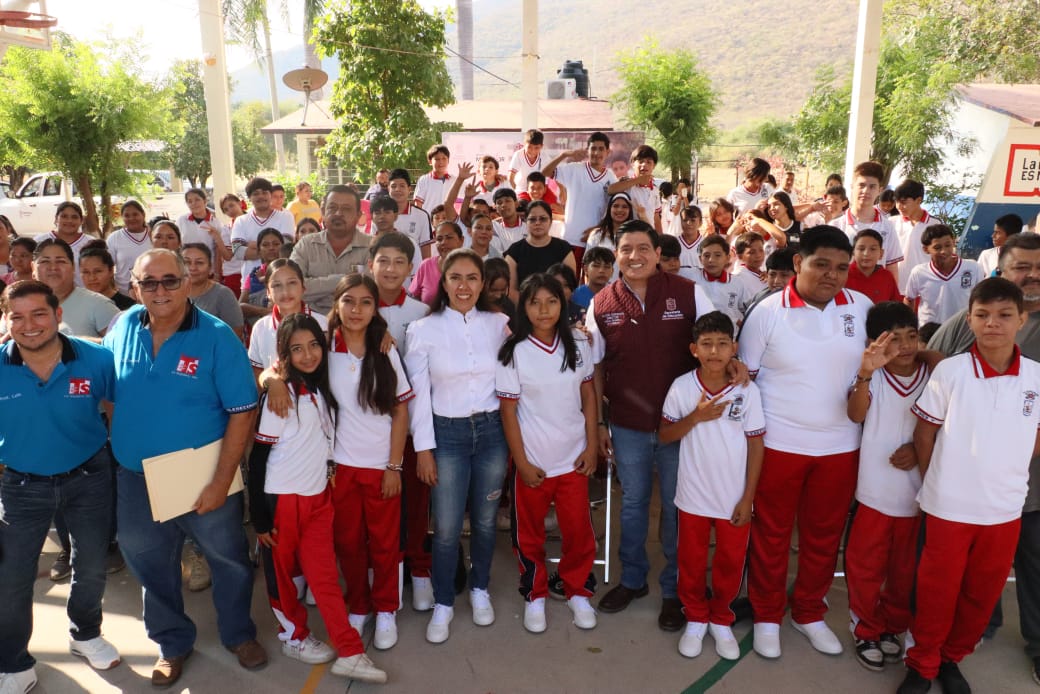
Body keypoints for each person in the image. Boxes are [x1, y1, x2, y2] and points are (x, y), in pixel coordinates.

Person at [104, 249, 267, 688]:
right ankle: (172, 643)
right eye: (149, 282)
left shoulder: (217, 336)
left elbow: (242, 412)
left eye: (170, 280)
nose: (160, 290)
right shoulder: (122, 328)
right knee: (149, 563)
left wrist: (220, 481)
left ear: (188, 283)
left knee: (228, 560)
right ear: (134, 287)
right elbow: (110, 394)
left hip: (202, 477)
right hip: (136, 478)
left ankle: (239, 635)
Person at [899, 277, 1040, 694]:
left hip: (1004, 510)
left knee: (981, 594)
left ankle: (950, 658)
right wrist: (937, 482)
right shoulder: (952, 371)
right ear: (970, 319)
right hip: (949, 508)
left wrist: (1005, 459)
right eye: (982, 315)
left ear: (1022, 319)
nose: (992, 323)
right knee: (936, 593)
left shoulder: (1035, 376)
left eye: (1004, 315)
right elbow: (924, 433)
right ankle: (922, 664)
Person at [738, 225, 872, 660]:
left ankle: (809, 611)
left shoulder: (863, 308)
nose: (833, 275)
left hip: (840, 446)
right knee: (771, 534)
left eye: (841, 268)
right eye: (822, 265)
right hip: (780, 443)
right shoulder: (767, 312)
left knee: (823, 536)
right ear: (798, 262)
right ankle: (766, 613)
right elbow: (745, 382)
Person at [585, 220, 719, 631]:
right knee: (633, 503)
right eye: (626, 249)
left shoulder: (688, 292)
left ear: (658, 254)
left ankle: (675, 588)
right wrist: (601, 423)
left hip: (682, 424)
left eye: (643, 248)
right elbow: (595, 368)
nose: (635, 256)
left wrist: (734, 367)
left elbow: (717, 341)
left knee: (678, 506)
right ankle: (632, 579)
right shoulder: (602, 303)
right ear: (616, 255)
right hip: (628, 423)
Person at [248, 313, 387, 683]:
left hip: (318, 498)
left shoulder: (321, 390)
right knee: (281, 576)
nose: (307, 355)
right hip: (283, 499)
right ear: (285, 355)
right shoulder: (281, 396)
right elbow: (258, 458)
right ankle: (293, 636)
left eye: (313, 346)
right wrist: (260, 518)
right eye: (297, 349)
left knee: (325, 577)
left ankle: (350, 652)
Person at [0, 281, 121, 694]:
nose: (29, 325)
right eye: (17, 317)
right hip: (20, 485)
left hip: (89, 477)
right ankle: (14, 663)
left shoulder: (97, 359)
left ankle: (85, 634)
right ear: (6, 320)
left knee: (91, 565)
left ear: (58, 315)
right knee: (12, 579)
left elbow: (115, 407)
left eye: (39, 313)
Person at [404, 248, 511, 644]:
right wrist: (424, 449)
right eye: (455, 278)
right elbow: (418, 396)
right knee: (447, 527)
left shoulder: (499, 325)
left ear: (483, 284)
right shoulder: (423, 329)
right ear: (443, 283)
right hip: (446, 435)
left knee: (484, 520)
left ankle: (480, 588)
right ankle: (444, 600)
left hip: (492, 433)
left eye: (472, 278)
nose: (464, 286)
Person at [659, 311, 765, 660]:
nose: (715, 351)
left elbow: (756, 444)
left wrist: (748, 498)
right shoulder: (682, 386)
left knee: (730, 561)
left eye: (722, 344)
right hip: (693, 494)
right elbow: (665, 435)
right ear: (694, 349)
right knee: (690, 560)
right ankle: (695, 616)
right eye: (706, 344)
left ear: (734, 348)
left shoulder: (747, 391)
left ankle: (721, 617)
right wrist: (697, 416)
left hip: (733, 496)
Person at [497, 273, 599, 633]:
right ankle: (535, 594)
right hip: (534, 461)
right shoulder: (514, 352)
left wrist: (591, 445)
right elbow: (508, 412)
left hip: (573, 458)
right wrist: (522, 463)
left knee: (578, 531)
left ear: (563, 304)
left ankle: (577, 590)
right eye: (535, 302)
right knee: (530, 535)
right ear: (523, 308)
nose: (544, 310)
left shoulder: (578, 342)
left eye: (551, 301)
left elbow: (588, 395)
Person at [323, 275, 412, 652]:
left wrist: (394, 466)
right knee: (347, 542)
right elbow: (283, 370)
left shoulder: (385, 349)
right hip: (340, 467)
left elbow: (400, 411)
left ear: (376, 309)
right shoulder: (324, 346)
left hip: (380, 466)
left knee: (385, 543)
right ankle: (359, 605)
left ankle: (387, 608)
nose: (356, 310)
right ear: (337, 304)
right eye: (349, 301)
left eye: (365, 302)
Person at [843, 301, 926, 673]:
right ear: (875, 343)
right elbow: (855, 414)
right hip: (874, 491)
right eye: (895, 339)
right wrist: (864, 373)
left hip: (917, 495)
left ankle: (894, 625)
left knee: (905, 570)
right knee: (866, 566)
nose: (905, 346)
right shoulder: (872, 376)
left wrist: (918, 450)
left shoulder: (934, 374)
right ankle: (865, 628)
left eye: (911, 336)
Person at [368, 233, 434, 611]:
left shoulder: (421, 313)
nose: (390, 269)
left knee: (416, 503)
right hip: (369, 430)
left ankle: (419, 569)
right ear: (371, 265)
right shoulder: (356, 308)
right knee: (379, 507)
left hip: (411, 427)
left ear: (411, 269)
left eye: (399, 262)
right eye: (383, 261)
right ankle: (383, 569)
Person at [290, 185, 372, 314]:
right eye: (332, 208)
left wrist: (314, 286)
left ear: (358, 215)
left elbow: (369, 292)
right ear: (323, 212)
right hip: (310, 320)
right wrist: (343, 280)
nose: (338, 213)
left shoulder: (372, 247)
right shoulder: (306, 245)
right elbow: (292, 288)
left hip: (357, 318)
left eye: (346, 209)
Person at [543, 132, 619, 263]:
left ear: (608, 152)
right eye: (593, 148)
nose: (597, 153)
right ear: (587, 150)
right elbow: (545, 172)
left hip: (594, 241)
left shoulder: (611, 177)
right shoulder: (575, 169)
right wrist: (564, 155)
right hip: (570, 239)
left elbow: (611, 210)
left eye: (601, 149)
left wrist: (597, 229)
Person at [247, 257, 327, 376]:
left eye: (292, 283)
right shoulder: (261, 328)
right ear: (268, 292)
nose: (285, 292)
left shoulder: (323, 324)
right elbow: (257, 372)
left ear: (303, 287)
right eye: (277, 285)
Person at [34, 239, 118, 338]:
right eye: (45, 261)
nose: (53, 267)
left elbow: (123, 343)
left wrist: (79, 343)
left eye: (60, 261)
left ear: (73, 267)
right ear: (32, 267)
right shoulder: (22, 306)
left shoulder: (99, 305)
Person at [833, 161, 902, 279]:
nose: (866, 191)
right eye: (861, 185)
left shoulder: (888, 227)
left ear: (880, 190)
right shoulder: (836, 226)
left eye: (872, 187)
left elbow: (892, 268)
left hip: (877, 290)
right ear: (852, 186)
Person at [904, 224, 982, 326]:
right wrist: (910, 325)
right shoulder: (918, 272)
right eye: (937, 247)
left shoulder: (973, 267)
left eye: (948, 245)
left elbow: (981, 299)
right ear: (926, 249)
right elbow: (909, 299)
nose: (944, 251)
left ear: (953, 242)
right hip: (930, 331)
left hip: (962, 329)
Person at [505, 200, 576, 299]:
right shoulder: (514, 251)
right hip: (523, 305)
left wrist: (551, 305)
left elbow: (570, 287)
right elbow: (511, 290)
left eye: (543, 219)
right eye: (532, 219)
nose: (537, 223)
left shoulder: (564, 248)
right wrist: (531, 305)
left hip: (557, 305)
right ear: (525, 221)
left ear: (551, 221)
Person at [231, 177, 296, 282]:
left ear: (270, 195)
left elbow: (284, 248)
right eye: (256, 193)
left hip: (279, 279)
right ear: (249, 197)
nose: (261, 196)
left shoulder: (286, 217)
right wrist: (271, 247)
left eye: (265, 192)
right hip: (249, 282)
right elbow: (237, 251)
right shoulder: (240, 221)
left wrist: (250, 244)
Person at [182, 243, 244, 338]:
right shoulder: (171, 293)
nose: (192, 268)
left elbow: (235, 334)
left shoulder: (223, 295)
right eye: (187, 262)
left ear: (210, 268)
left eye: (199, 263)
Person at [691, 235, 756, 326]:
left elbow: (750, 309)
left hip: (730, 333)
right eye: (706, 255)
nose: (711, 260)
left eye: (717, 255)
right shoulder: (691, 277)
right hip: (700, 333)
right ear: (700, 259)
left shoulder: (737, 282)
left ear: (727, 258)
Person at [35, 202, 92, 286]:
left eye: (74, 217)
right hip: (46, 292)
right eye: (64, 216)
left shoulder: (90, 243)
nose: (69, 221)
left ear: (81, 220)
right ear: (56, 219)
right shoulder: (40, 241)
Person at [609, 145, 664, 232]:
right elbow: (610, 190)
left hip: (649, 235)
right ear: (632, 164)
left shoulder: (655, 190)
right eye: (641, 161)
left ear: (654, 166)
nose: (644, 165)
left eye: (649, 162)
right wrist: (639, 180)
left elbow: (656, 219)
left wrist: (660, 238)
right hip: (629, 234)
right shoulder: (626, 184)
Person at [410, 221, 465, 306]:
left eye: (449, 237)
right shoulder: (426, 266)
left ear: (461, 240)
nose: (443, 242)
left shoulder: (471, 267)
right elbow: (413, 298)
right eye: (439, 239)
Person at [892, 180, 933, 292]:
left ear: (918, 200)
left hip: (923, 289)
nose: (899, 206)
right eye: (897, 202)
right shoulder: (891, 223)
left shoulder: (934, 225)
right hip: (895, 287)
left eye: (903, 202)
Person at [369, 195, 421, 281]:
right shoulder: (366, 244)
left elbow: (417, 276)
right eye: (377, 213)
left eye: (387, 212)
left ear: (396, 216)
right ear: (371, 217)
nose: (382, 216)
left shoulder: (410, 243)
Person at [106, 200, 152, 293]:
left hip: (151, 290)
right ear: (122, 217)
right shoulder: (114, 238)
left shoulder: (154, 235)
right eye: (127, 216)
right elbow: (107, 267)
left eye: (135, 214)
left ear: (143, 215)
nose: (131, 218)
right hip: (123, 292)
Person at [846, 229, 902, 304]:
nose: (866, 253)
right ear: (853, 252)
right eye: (861, 249)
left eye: (873, 249)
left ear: (881, 253)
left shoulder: (887, 277)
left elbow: (896, 305)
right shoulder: (844, 274)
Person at [388, 168, 433, 259]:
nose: (397, 189)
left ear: (409, 189)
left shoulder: (422, 216)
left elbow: (426, 251)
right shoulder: (380, 215)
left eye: (402, 186)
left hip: (414, 267)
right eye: (393, 186)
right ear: (388, 189)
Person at [79, 246, 137, 311]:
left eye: (98, 271)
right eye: (86, 272)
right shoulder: (76, 306)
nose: (92, 278)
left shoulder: (130, 308)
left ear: (111, 271)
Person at [584, 192, 635, 257]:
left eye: (624, 207)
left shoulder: (635, 235)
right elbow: (587, 260)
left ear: (630, 211)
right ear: (609, 209)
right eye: (615, 206)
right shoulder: (597, 234)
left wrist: (642, 216)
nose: (619, 210)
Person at [177, 188, 224, 256]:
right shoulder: (181, 221)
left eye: (197, 200)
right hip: (186, 261)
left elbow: (219, 248)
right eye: (190, 201)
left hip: (210, 262)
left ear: (205, 201)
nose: (193, 203)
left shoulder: (216, 223)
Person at [978, 213, 1024, 278]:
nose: (993, 236)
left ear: (1011, 236)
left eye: (998, 232)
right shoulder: (986, 255)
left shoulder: (1024, 255)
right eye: (994, 232)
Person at [218, 194, 246, 296]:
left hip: (255, 270)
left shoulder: (255, 221)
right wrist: (217, 237)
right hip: (234, 273)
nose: (230, 210)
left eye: (231, 205)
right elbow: (228, 256)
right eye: (226, 209)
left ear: (239, 203)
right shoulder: (227, 229)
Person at [572, 246, 614, 311]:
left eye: (607, 267)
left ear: (612, 271)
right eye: (596, 266)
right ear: (586, 269)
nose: (601, 270)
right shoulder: (575, 296)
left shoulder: (618, 296)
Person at [413, 144, 454, 210]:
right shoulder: (424, 180)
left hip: (449, 217)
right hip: (429, 216)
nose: (441, 162)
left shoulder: (455, 180)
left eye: (444, 158)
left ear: (448, 160)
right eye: (437, 159)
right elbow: (418, 205)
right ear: (430, 161)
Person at [675, 206, 705, 281]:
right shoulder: (674, 243)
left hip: (700, 285)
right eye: (685, 220)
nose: (688, 223)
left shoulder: (706, 244)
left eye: (693, 220)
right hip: (678, 284)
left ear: (700, 222)